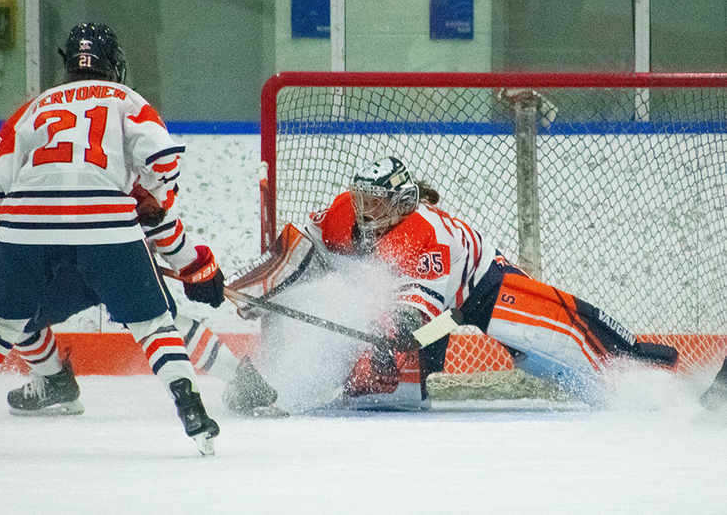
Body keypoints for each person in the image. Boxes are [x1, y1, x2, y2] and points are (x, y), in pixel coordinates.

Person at [0, 23, 221, 456]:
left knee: (1, 325)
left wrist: (2, 234)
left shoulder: (33, 107)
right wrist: (152, 195)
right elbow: (162, 160)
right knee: (152, 325)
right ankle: (193, 411)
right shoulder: (127, 99)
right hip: (104, 221)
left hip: (27, 221)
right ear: (114, 64)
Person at [286, 156, 679, 409]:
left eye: (375, 203)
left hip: (482, 286)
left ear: (402, 202)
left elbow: (415, 314)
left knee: (562, 338)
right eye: (362, 200)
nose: (363, 211)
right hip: (438, 311)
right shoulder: (342, 215)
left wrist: (396, 335)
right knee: (387, 394)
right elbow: (302, 250)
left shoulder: (427, 234)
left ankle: (636, 368)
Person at [3, 204, 279, 418]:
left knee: (17, 315)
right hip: (118, 255)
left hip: (74, 263)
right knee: (161, 325)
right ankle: (244, 381)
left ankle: (53, 380)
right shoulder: (120, 151)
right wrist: (198, 269)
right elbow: (157, 212)